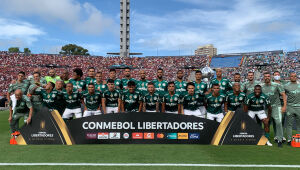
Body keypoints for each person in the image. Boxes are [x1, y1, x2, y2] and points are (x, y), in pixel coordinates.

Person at [261, 72, 287, 147]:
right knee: (266, 123)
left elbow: (283, 95)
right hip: (266, 108)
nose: (267, 77)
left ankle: (280, 140)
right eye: (265, 76)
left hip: (276, 106)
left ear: (270, 77)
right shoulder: (261, 86)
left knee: (278, 122)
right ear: (264, 77)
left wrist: (284, 106)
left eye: (268, 76)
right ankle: (267, 139)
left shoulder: (277, 85)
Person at [284, 72, 300, 145]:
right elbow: (282, 95)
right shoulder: (286, 86)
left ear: (296, 77)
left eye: (295, 76)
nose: (293, 77)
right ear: (289, 77)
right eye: (292, 76)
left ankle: (299, 139)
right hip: (290, 107)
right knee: (289, 124)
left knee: (299, 124)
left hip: (299, 107)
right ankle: (289, 140)